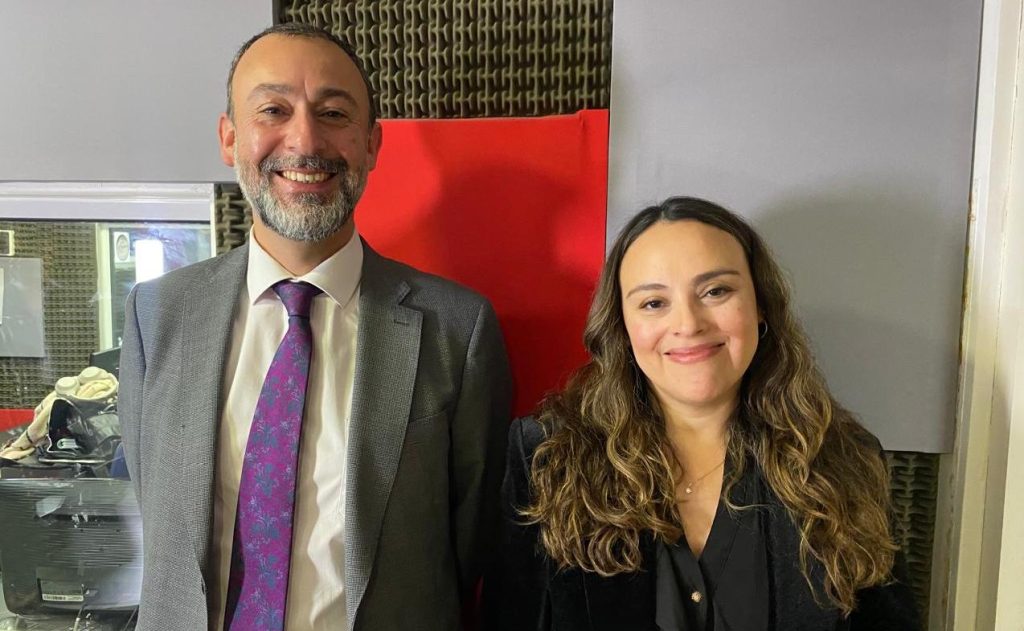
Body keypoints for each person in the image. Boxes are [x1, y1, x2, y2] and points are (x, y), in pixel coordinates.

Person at [119, 24, 512, 631]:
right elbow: (161, 519)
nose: (305, 140)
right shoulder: (158, 315)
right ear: (229, 137)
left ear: (372, 144)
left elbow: (472, 545)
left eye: (333, 114)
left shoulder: (458, 330)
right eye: (272, 110)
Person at [485, 197, 920, 630]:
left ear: (761, 305)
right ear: (622, 324)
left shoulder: (844, 458)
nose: (689, 324)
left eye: (716, 291)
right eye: (654, 303)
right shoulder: (545, 457)